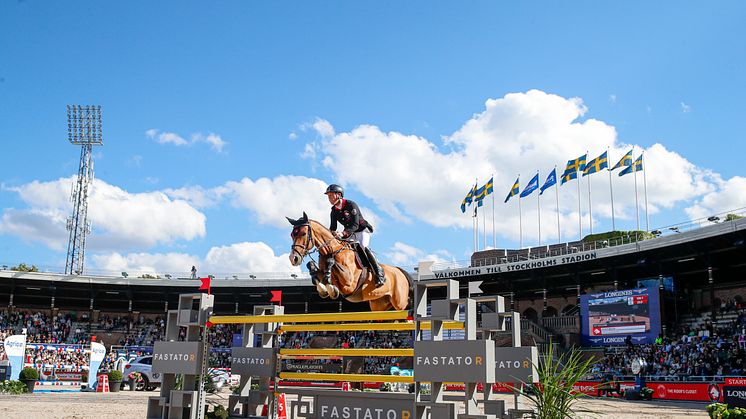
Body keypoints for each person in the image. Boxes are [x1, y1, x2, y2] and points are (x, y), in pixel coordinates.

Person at [324, 184, 385, 287]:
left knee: (362, 246)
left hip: (362, 230)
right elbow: (332, 227)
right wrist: (330, 235)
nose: (329, 198)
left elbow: (355, 225)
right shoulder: (333, 211)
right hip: (350, 233)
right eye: (328, 196)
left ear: (339, 195)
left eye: (331, 195)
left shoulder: (351, 205)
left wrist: (343, 233)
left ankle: (379, 273)